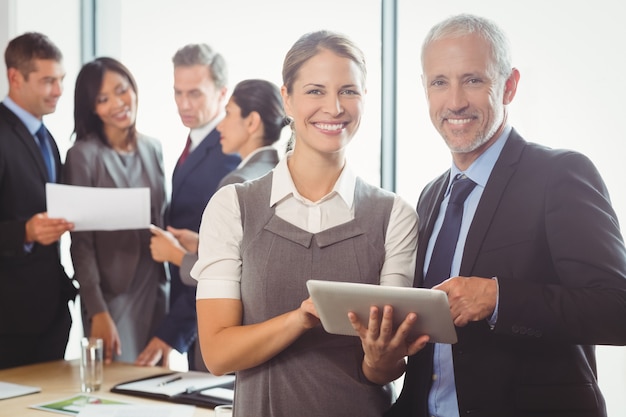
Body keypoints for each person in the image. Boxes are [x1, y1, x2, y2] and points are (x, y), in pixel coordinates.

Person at [352, 14, 626, 417]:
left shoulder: (559, 174)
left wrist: (498, 297)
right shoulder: (431, 196)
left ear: (509, 86)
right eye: (439, 82)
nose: (456, 101)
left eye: (474, 80)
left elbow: (616, 309)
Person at [190, 30, 426, 417]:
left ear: (365, 98)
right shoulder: (233, 207)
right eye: (315, 91)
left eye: (349, 91)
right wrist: (300, 320)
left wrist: (381, 357)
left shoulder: (394, 215)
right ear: (287, 98)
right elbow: (217, 354)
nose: (333, 107)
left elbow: (384, 370)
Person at [135, 43, 240, 371]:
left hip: (207, 314)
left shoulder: (229, 160)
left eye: (194, 93)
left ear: (222, 93)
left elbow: (221, 263)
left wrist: (172, 333)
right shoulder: (192, 144)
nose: (183, 104)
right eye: (177, 93)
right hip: (187, 308)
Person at [64, 57, 168, 364]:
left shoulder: (153, 147)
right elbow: (81, 243)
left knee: (155, 387)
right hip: (111, 294)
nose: (118, 103)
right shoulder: (82, 155)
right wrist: (97, 310)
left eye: (122, 90)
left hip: (155, 286)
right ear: (91, 107)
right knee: (115, 388)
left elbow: (161, 217)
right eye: (103, 99)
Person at [148, 78, 287, 287]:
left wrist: (174, 254)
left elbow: (228, 275)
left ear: (252, 122)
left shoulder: (238, 182)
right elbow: (248, 254)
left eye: (228, 113)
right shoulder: (278, 170)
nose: (220, 125)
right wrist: (200, 244)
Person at [0, 32, 76, 369]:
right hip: (9, 323)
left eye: (60, 79)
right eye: (48, 81)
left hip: (48, 317)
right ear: (15, 78)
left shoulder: (46, 137)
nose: (59, 90)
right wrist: (25, 233)